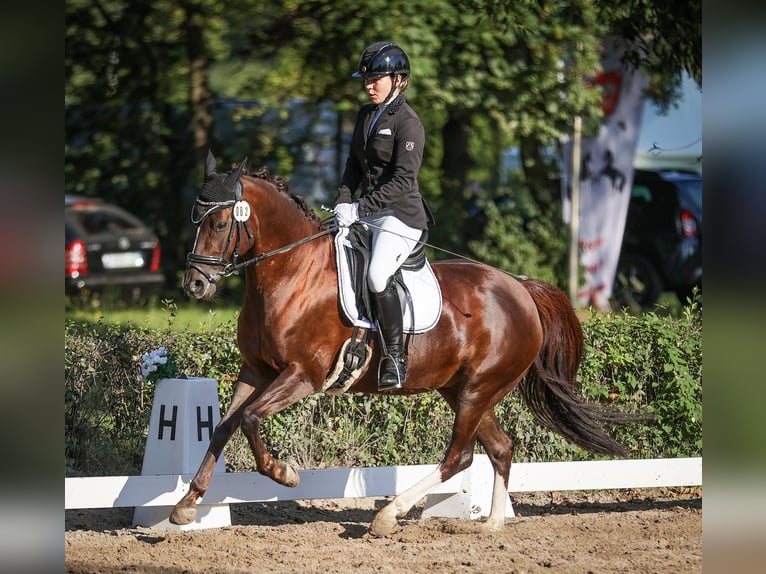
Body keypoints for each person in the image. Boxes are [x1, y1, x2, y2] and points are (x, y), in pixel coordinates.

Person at [333, 41, 432, 392]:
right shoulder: (365, 115)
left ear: (399, 79)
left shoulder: (409, 124)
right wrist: (344, 200)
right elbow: (352, 167)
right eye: (367, 79)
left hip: (401, 216)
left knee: (377, 275)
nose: (369, 84)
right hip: (368, 211)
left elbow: (404, 181)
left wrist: (360, 208)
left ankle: (394, 358)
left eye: (377, 78)